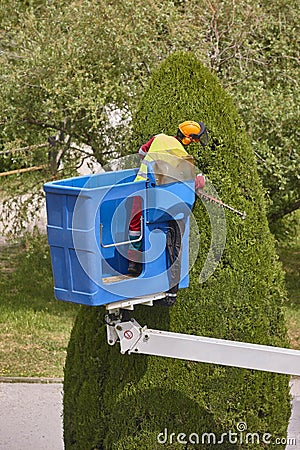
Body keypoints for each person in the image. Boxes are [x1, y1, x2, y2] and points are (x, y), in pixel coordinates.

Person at [127, 121, 208, 303]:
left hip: (139, 187)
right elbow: (182, 181)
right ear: (188, 139)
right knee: (157, 231)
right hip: (157, 197)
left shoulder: (159, 138)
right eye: (194, 139)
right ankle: (149, 269)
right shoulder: (183, 155)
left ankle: (133, 263)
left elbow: (141, 153)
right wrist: (199, 182)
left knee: (135, 226)